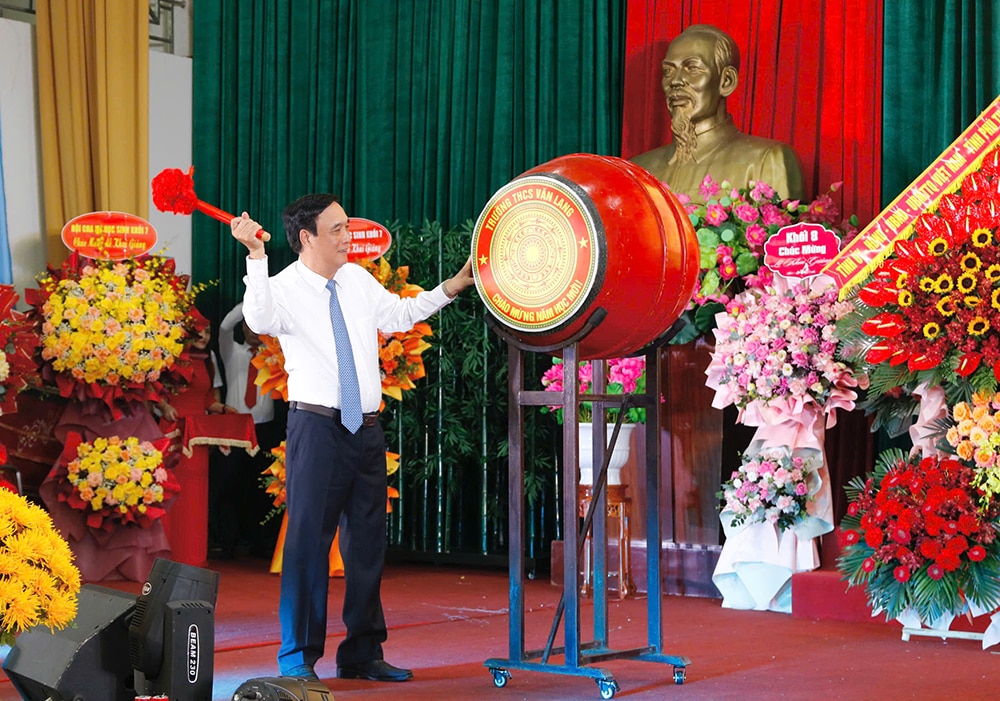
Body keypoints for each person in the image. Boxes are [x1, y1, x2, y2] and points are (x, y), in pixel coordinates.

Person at [230, 194, 475, 683]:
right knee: (306, 545)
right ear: (307, 237)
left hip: (365, 430)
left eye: (347, 227)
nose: (348, 236)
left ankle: (362, 652)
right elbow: (258, 321)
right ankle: (297, 659)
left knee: (366, 545)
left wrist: (452, 286)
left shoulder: (358, 279)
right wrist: (256, 256)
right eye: (338, 229)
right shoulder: (279, 287)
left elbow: (402, 315)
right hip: (316, 430)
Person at [630, 23, 805, 204]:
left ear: (726, 81)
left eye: (692, 68)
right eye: (668, 71)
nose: (675, 81)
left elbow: (784, 227)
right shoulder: (638, 171)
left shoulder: (767, 161)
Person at [210, 302, 283, 560]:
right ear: (243, 326)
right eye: (249, 325)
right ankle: (228, 542)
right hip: (235, 426)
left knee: (262, 488)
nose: (254, 331)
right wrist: (253, 298)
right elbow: (224, 326)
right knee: (229, 485)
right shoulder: (233, 353)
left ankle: (260, 542)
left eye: (258, 326)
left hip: (265, 430)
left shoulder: (275, 354)